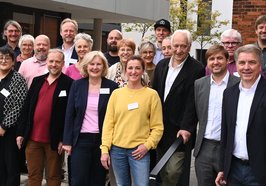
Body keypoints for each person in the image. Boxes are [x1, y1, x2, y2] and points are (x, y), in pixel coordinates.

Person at [100, 55, 164, 186]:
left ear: (142, 70)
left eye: (137, 68)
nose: (133, 71)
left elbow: (158, 127)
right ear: (125, 70)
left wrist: (147, 146)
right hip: (117, 150)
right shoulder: (116, 94)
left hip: (139, 151)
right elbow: (108, 124)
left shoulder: (151, 95)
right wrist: (105, 150)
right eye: (130, 68)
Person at [152, 29, 205, 186]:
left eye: (183, 46)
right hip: (159, 127)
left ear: (189, 47)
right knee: (160, 168)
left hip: (180, 130)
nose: (179, 50)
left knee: (174, 171)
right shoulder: (161, 65)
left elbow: (193, 101)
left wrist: (187, 127)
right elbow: (154, 96)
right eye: (176, 46)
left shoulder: (196, 69)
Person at [16, 48, 73, 186]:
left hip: (54, 140)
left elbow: (69, 115)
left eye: (57, 62)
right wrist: (20, 133)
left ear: (63, 63)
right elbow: (26, 108)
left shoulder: (69, 84)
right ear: (47, 61)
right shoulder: (37, 81)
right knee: (33, 175)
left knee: (53, 176)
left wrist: (63, 139)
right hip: (32, 139)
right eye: (51, 61)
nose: (54, 64)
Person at [63, 51, 118, 186]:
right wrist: (67, 141)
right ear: (86, 66)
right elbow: (70, 114)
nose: (95, 67)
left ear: (104, 67)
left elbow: (116, 116)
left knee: (97, 180)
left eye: (99, 64)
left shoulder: (112, 87)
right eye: (92, 64)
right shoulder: (77, 85)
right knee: (79, 180)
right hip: (80, 140)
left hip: (102, 141)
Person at [215, 44, 266, 186]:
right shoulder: (229, 94)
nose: (246, 67)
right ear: (236, 65)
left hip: (260, 172)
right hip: (234, 170)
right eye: (242, 62)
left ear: (260, 65)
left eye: (252, 62)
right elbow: (225, 134)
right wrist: (222, 168)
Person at [193, 45, 239, 186]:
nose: (215, 62)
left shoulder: (238, 84)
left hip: (227, 148)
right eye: (211, 59)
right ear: (207, 62)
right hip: (204, 148)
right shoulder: (199, 84)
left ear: (227, 60)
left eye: (219, 58)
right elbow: (194, 112)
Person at [0, 46, 27, 186]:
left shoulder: (18, 79)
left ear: (13, 62)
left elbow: (19, 105)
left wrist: (4, 126)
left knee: (11, 166)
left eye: (7, 58)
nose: (3, 60)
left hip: (10, 131)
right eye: (1, 57)